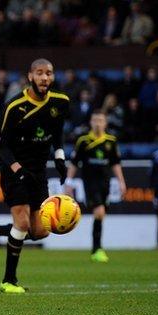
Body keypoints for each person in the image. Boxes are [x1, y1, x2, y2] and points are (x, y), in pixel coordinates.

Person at [0, 58, 69, 294]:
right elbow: (1, 146)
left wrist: (59, 157)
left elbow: (57, 132)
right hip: (13, 168)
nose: (44, 78)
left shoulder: (61, 102)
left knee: (39, 231)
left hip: (38, 170)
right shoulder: (14, 107)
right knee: (22, 222)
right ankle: (8, 281)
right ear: (30, 76)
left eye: (49, 73)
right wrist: (18, 170)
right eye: (39, 73)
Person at [65, 111, 126, 262]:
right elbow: (74, 163)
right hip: (90, 182)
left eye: (100, 120)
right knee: (99, 212)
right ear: (91, 122)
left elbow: (115, 163)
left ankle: (96, 249)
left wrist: (121, 181)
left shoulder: (111, 141)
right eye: (95, 120)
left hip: (105, 182)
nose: (98, 123)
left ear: (105, 123)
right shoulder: (83, 141)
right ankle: (97, 249)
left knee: (101, 214)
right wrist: (68, 182)